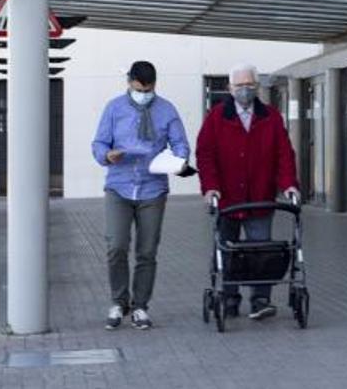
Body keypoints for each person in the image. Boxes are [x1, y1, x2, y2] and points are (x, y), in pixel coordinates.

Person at [92, 61, 191, 330]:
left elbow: (181, 144)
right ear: (129, 82)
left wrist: (176, 160)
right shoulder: (114, 108)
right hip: (119, 186)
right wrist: (107, 155)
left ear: (155, 85)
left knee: (147, 251)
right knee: (116, 246)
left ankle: (140, 307)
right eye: (139, 88)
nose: (144, 93)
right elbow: (99, 143)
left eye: (149, 89)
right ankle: (118, 301)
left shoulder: (166, 109)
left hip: (152, 188)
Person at [197, 64, 300, 321]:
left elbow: (284, 154)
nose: (245, 90)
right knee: (227, 250)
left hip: (259, 196)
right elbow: (205, 155)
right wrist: (210, 187)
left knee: (261, 251)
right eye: (240, 85)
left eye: (250, 85)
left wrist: (288, 184)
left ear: (257, 86)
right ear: (230, 88)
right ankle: (229, 298)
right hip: (227, 198)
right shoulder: (217, 117)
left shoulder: (271, 117)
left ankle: (260, 300)